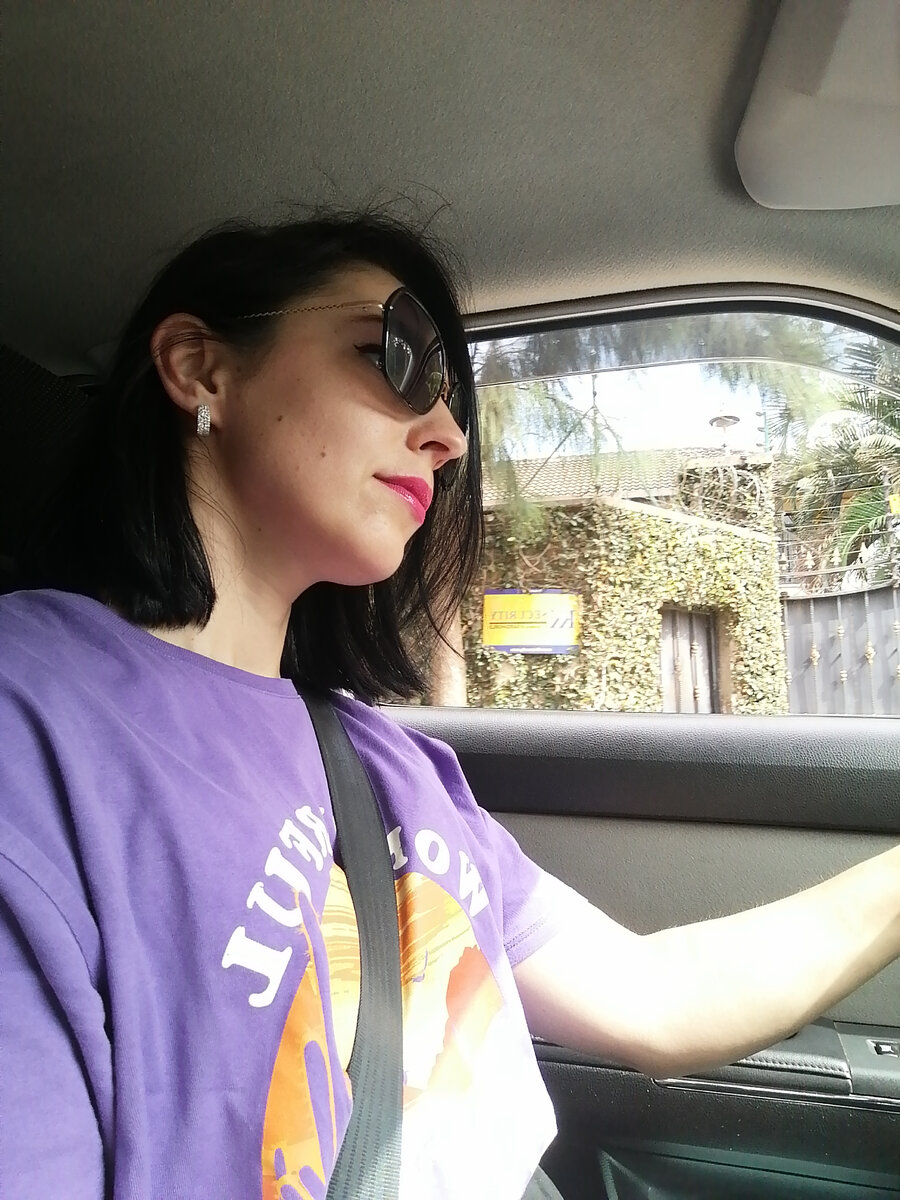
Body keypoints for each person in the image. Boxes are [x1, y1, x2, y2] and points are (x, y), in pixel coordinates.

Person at [1, 211, 898, 1200]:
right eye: (394, 356)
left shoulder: (381, 762)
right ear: (200, 368)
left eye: (451, 396)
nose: (450, 436)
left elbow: (657, 998)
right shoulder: (33, 725)